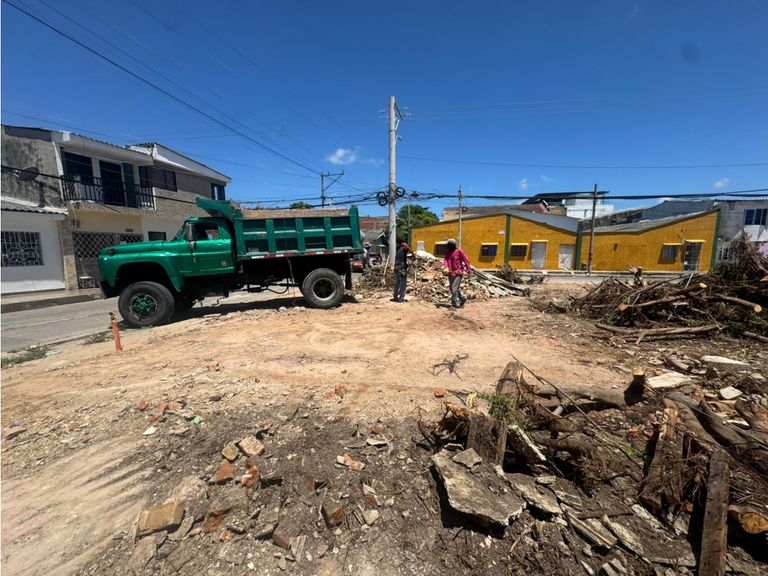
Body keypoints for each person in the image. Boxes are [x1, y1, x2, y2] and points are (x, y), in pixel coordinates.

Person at [443, 238, 471, 308]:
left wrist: (468, 270)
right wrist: (446, 267)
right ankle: (463, 298)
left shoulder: (459, 251)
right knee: (452, 288)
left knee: (454, 288)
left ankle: (454, 304)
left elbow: (466, 260)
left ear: (453, 245)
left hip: (458, 273)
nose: (447, 246)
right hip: (450, 272)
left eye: (449, 245)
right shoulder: (448, 252)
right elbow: (446, 259)